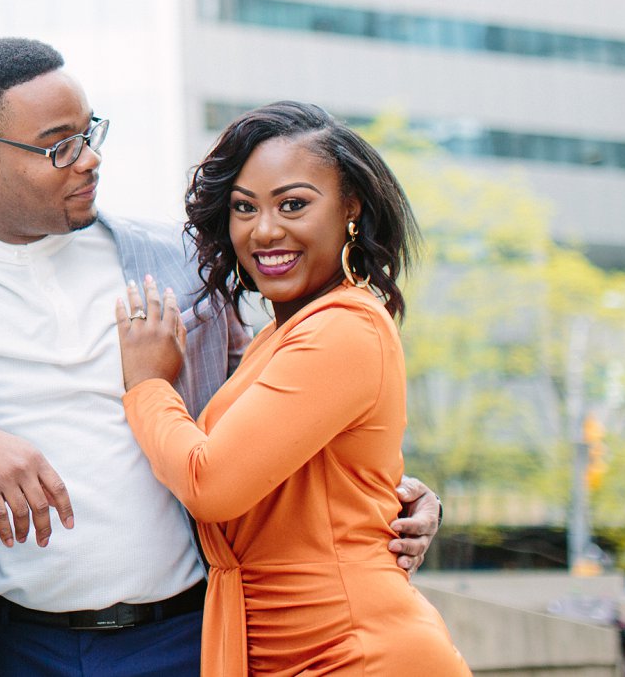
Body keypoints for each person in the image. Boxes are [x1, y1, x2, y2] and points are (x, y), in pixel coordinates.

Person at [0, 39, 440, 677]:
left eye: (90, 133)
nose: (89, 158)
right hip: (17, 644)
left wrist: (394, 495)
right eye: (60, 146)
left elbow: (284, 404)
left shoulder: (179, 264)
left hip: (188, 634)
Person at [115, 101, 467, 676]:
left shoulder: (344, 326)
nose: (266, 230)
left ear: (350, 207)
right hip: (284, 648)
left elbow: (211, 483)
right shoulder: (280, 336)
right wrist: (397, 493)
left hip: (356, 651)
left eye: (294, 204)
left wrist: (148, 384)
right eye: (244, 208)